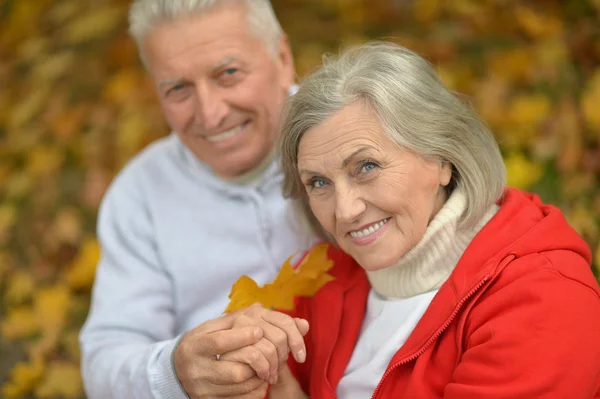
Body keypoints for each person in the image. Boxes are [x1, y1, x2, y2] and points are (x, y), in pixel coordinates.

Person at [266, 41, 600, 398]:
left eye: (366, 167)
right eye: (319, 182)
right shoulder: (324, 279)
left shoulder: (544, 302)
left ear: (442, 159)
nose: (345, 210)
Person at [79, 1, 314, 398]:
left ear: (282, 57)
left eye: (228, 74)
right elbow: (104, 364)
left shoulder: (354, 132)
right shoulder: (139, 195)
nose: (210, 114)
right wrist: (175, 371)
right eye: (178, 89)